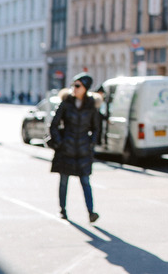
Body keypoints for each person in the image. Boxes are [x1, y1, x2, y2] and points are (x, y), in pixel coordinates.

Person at [48, 72, 102, 223]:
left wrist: (91, 143)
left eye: (78, 85)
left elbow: (96, 128)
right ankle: (63, 210)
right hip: (67, 148)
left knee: (85, 181)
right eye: (73, 85)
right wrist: (59, 142)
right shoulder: (66, 103)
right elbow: (54, 124)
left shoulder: (91, 105)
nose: (74, 88)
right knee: (64, 180)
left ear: (85, 88)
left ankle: (91, 212)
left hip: (83, 149)